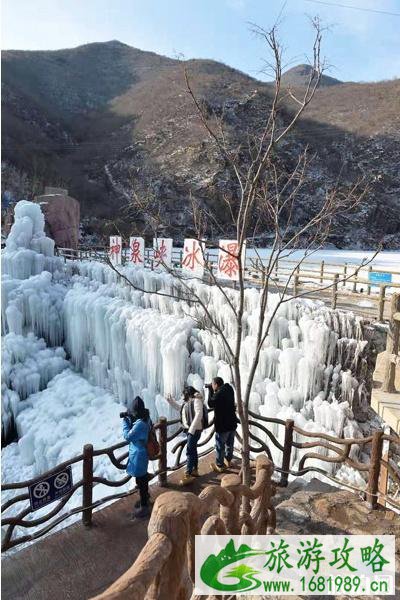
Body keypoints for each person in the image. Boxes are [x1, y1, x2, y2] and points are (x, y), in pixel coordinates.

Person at [166, 386, 204, 485]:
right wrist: (171, 401)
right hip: (190, 430)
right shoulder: (188, 402)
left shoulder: (196, 400)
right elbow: (180, 408)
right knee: (193, 449)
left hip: (194, 430)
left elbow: (199, 414)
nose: (182, 396)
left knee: (189, 451)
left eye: (183, 394)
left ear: (188, 394)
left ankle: (188, 474)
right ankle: (195, 470)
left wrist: (192, 428)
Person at [122, 396, 152, 518]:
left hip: (139, 455)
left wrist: (125, 423)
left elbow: (128, 437)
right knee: (142, 478)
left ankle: (144, 506)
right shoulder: (146, 418)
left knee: (141, 479)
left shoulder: (140, 424)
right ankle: (146, 498)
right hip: (142, 453)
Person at [207, 377, 238, 473]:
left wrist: (210, 391)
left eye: (212, 384)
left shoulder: (219, 394)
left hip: (223, 425)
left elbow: (210, 403)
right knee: (230, 444)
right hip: (232, 423)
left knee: (220, 446)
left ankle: (220, 465)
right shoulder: (229, 389)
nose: (211, 386)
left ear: (216, 385)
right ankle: (228, 460)